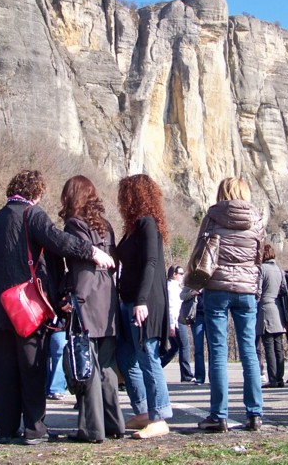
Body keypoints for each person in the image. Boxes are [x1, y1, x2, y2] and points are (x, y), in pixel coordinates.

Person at [0, 170, 115, 445]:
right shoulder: (30, 215)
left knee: (3, 373)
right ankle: (35, 429)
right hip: (24, 308)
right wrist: (92, 252)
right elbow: (58, 241)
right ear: (35, 193)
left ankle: (5, 429)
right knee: (31, 368)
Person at [58, 174, 126, 443]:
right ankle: (114, 425)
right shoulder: (106, 226)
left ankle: (91, 429)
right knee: (107, 367)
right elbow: (113, 264)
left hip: (87, 299)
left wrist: (71, 296)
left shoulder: (74, 225)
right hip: (108, 301)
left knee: (86, 364)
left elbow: (80, 266)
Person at [196, 177, 265, 433]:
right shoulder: (256, 219)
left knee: (218, 351)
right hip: (246, 289)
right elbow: (259, 255)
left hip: (217, 287)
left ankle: (219, 415)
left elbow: (201, 250)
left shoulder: (213, 216)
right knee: (249, 351)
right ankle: (255, 414)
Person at [116, 174, 173, 439]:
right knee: (128, 357)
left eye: (125, 194)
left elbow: (151, 263)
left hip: (145, 302)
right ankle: (142, 411)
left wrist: (141, 301)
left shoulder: (147, 223)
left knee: (148, 357)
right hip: (127, 300)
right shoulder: (132, 228)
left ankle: (160, 415)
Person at [258, 244, 286, 389]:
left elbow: (257, 290)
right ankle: (280, 378)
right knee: (278, 346)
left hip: (265, 309)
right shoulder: (280, 270)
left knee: (268, 346)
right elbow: (284, 290)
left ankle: (273, 378)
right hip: (278, 309)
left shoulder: (262, 269)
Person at [161, 265, 194, 382]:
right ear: (174, 274)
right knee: (184, 346)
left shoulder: (174, 287)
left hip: (177, 321)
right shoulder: (172, 288)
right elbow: (172, 308)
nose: (182, 275)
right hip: (176, 322)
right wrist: (172, 325)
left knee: (175, 347)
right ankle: (186, 375)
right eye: (180, 273)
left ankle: (157, 366)